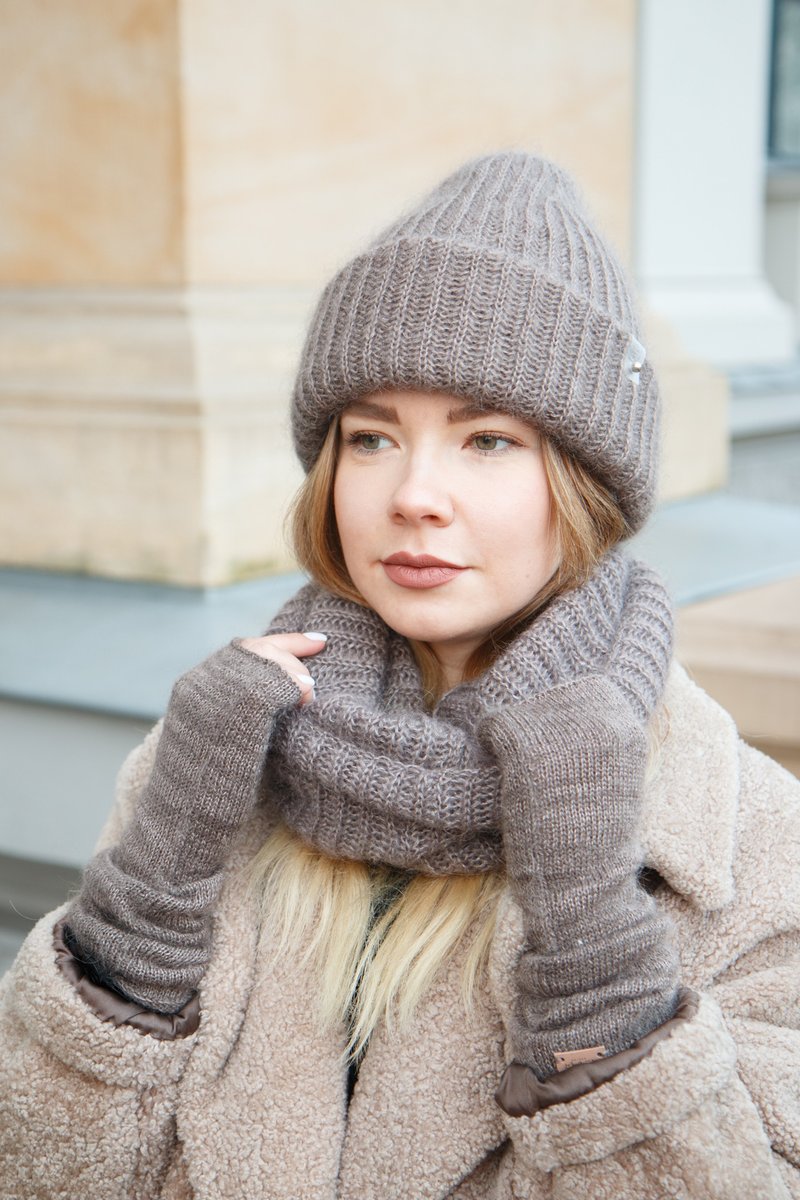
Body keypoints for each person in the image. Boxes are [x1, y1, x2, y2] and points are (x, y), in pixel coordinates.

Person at [1, 153, 798, 1200]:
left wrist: (592, 943)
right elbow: (46, 1168)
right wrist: (152, 887)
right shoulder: (219, 750)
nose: (413, 494)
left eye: (486, 440)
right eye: (371, 436)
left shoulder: (744, 840)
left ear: (584, 482)